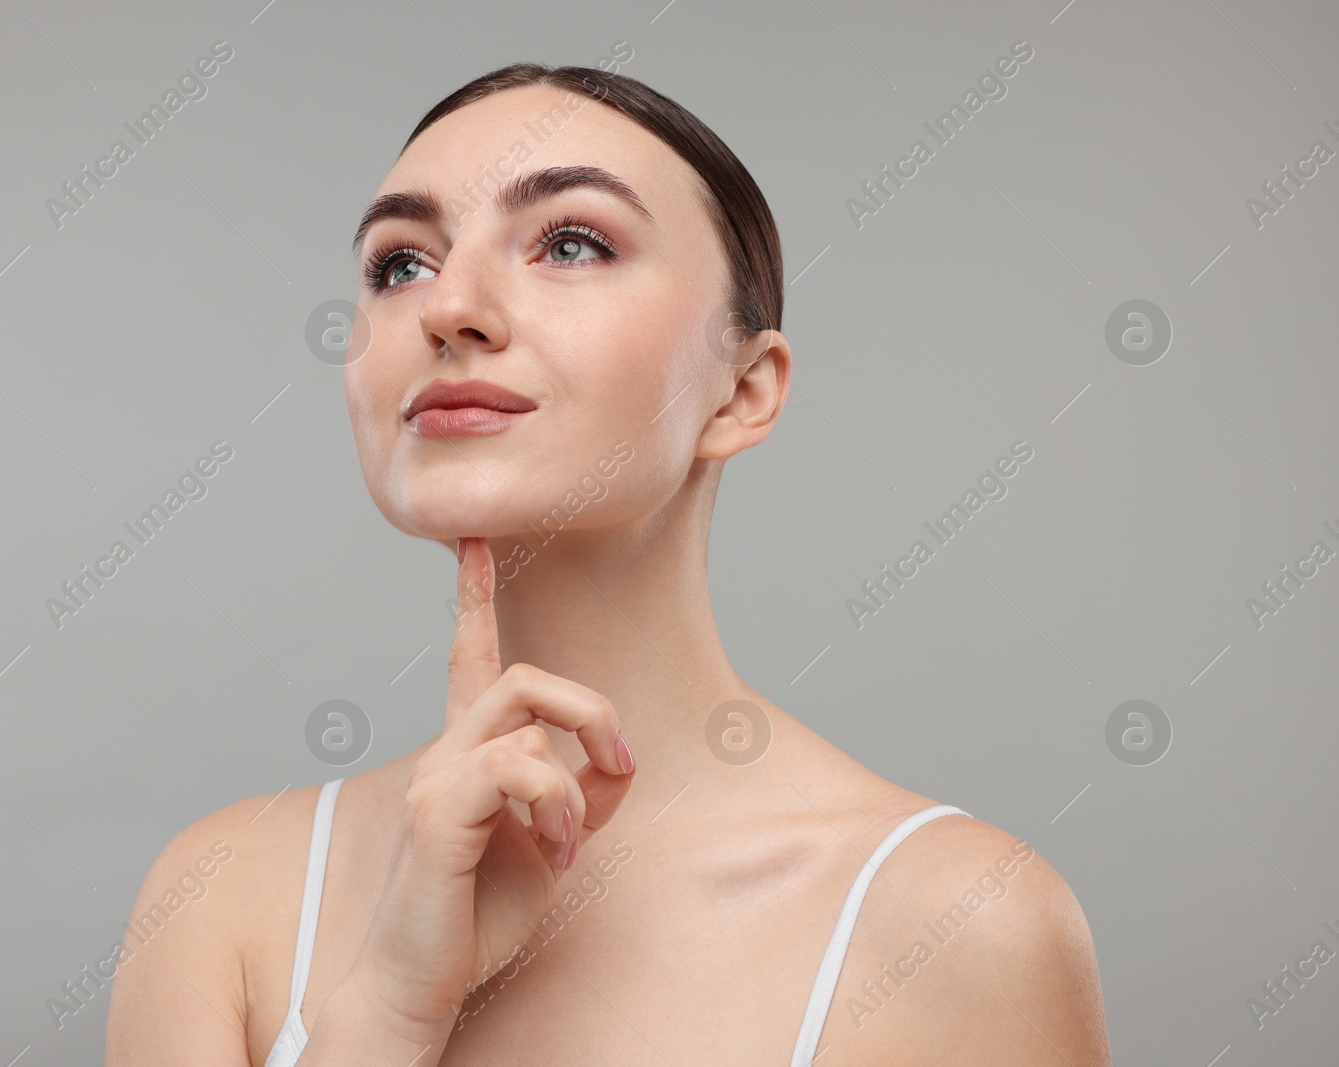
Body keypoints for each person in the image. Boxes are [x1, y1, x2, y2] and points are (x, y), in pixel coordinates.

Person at [105, 62, 1111, 1066]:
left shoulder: (959, 923)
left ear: (742, 391)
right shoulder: (220, 895)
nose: (448, 305)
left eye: (571, 242)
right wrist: (390, 1010)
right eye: (400, 263)